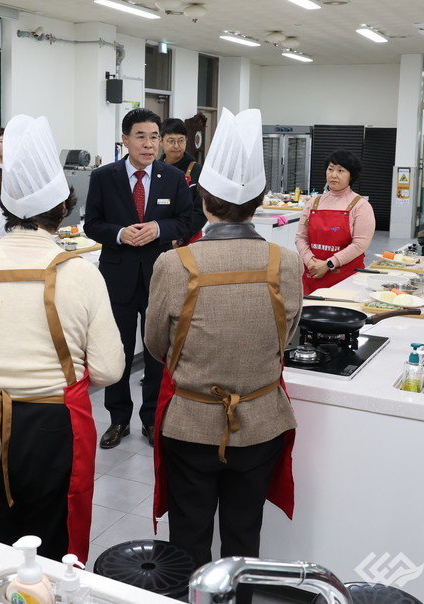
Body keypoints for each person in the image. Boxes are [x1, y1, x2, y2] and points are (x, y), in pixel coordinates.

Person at [0, 114, 124, 561]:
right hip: (50, 426)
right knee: (47, 546)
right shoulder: (78, 271)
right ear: (62, 209)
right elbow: (110, 369)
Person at [145, 108, 302, 571]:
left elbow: (157, 345)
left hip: (191, 420)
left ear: (203, 198)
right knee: (243, 533)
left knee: (189, 537)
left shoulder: (176, 265)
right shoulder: (285, 262)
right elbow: (286, 339)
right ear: (260, 200)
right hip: (259, 419)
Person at [83, 108, 193, 449]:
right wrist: (119, 234)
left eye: (155, 137)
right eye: (141, 137)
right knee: (117, 350)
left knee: (156, 350)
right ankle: (118, 419)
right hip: (116, 277)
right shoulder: (104, 177)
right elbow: (92, 224)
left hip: (160, 276)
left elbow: (188, 220)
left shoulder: (173, 178)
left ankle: (151, 419)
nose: (149, 145)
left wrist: (159, 228)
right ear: (126, 139)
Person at [295, 149, 376, 294]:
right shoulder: (313, 203)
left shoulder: (361, 205)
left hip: (346, 279)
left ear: (351, 175)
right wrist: (310, 261)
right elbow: (301, 237)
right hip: (312, 276)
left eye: (340, 171)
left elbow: (359, 245)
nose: (333, 175)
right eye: (330, 169)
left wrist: (329, 264)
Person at [160, 118, 207, 245]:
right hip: (157, 237)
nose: (176, 146)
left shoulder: (197, 170)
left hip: (187, 240)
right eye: (171, 141)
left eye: (181, 141)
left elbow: (201, 211)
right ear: (161, 141)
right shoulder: (154, 169)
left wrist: (180, 238)